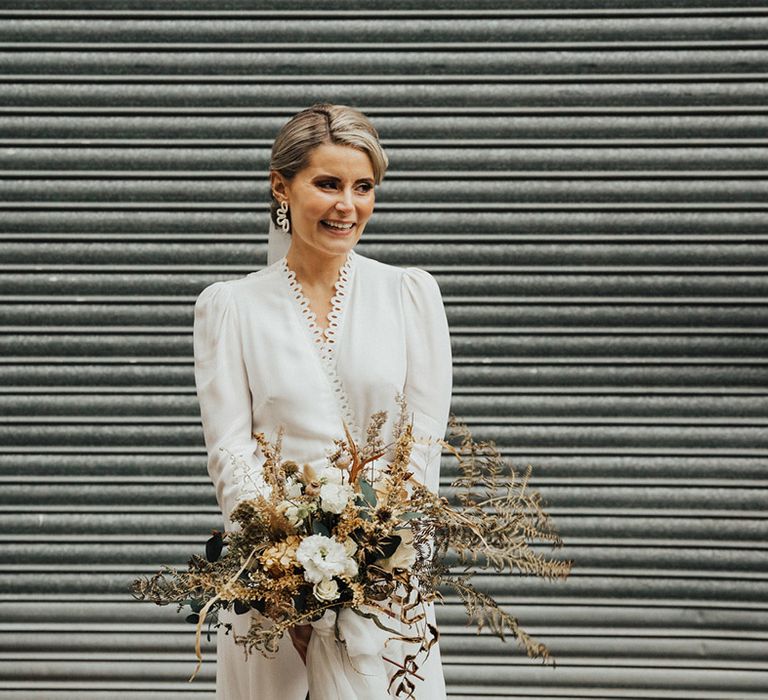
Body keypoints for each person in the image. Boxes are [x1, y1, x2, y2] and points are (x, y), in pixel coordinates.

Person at [192, 103, 452, 699]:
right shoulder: (230, 308)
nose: (348, 205)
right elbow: (230, 454)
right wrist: (285, 580)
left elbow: (424, 448)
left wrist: (383, 564)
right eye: (328, 184)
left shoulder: (410, 295)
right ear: (281, 186)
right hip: (273, 587)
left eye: (364, 187)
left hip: (387, 580)